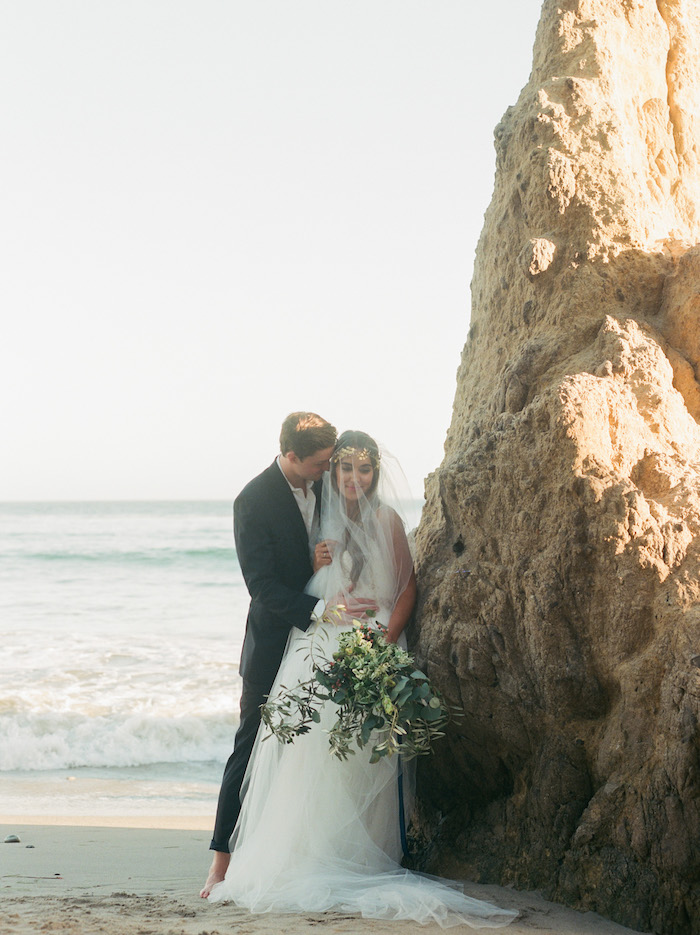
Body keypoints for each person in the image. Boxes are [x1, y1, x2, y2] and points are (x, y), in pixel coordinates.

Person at [206, 431, 517, 928]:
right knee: (307, 754)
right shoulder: (315, 520)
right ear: (330, 470)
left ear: (375, 473)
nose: (354, 478)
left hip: (371, 643)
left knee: (364, 758)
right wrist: (314, 565)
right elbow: (292, 583)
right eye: (344, 468)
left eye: (363, 470)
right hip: (318, 647)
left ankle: (365, 857)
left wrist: (386, 643)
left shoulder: (387, 520)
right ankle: (297, 854)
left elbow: (407, 588)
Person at [200, 411, 337, 898]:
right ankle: (220, 862)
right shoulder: (252, 501)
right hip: (273, 643)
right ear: (292, 455)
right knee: (249, 749)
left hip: (320, 648)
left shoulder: (324, 485)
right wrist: (319, 604)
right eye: (320, 463)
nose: (328, 470)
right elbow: (260, 587)